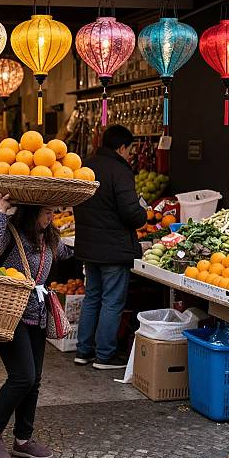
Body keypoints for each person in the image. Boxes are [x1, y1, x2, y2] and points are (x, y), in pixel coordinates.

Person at [0, 195, 72, 458]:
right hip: (8, 313)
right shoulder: (11, 232)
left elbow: (67, 252)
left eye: (53, 211)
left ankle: (22, 440)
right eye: (46, 212)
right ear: (31, 212)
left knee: (35, 380)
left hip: (37, 313)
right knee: (22, 376)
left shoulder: (49, 237)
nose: (51, 217)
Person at [73, 125, 147, 370]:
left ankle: (83, 351)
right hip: (114, 249)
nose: (130, 155)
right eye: (130, 150)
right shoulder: (120, 170)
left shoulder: (86, 167)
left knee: (93, 297)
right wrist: (143, 214)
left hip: (89, 246)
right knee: (112, 301)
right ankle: (105, 355)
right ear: (121, 147)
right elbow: (130, 212)